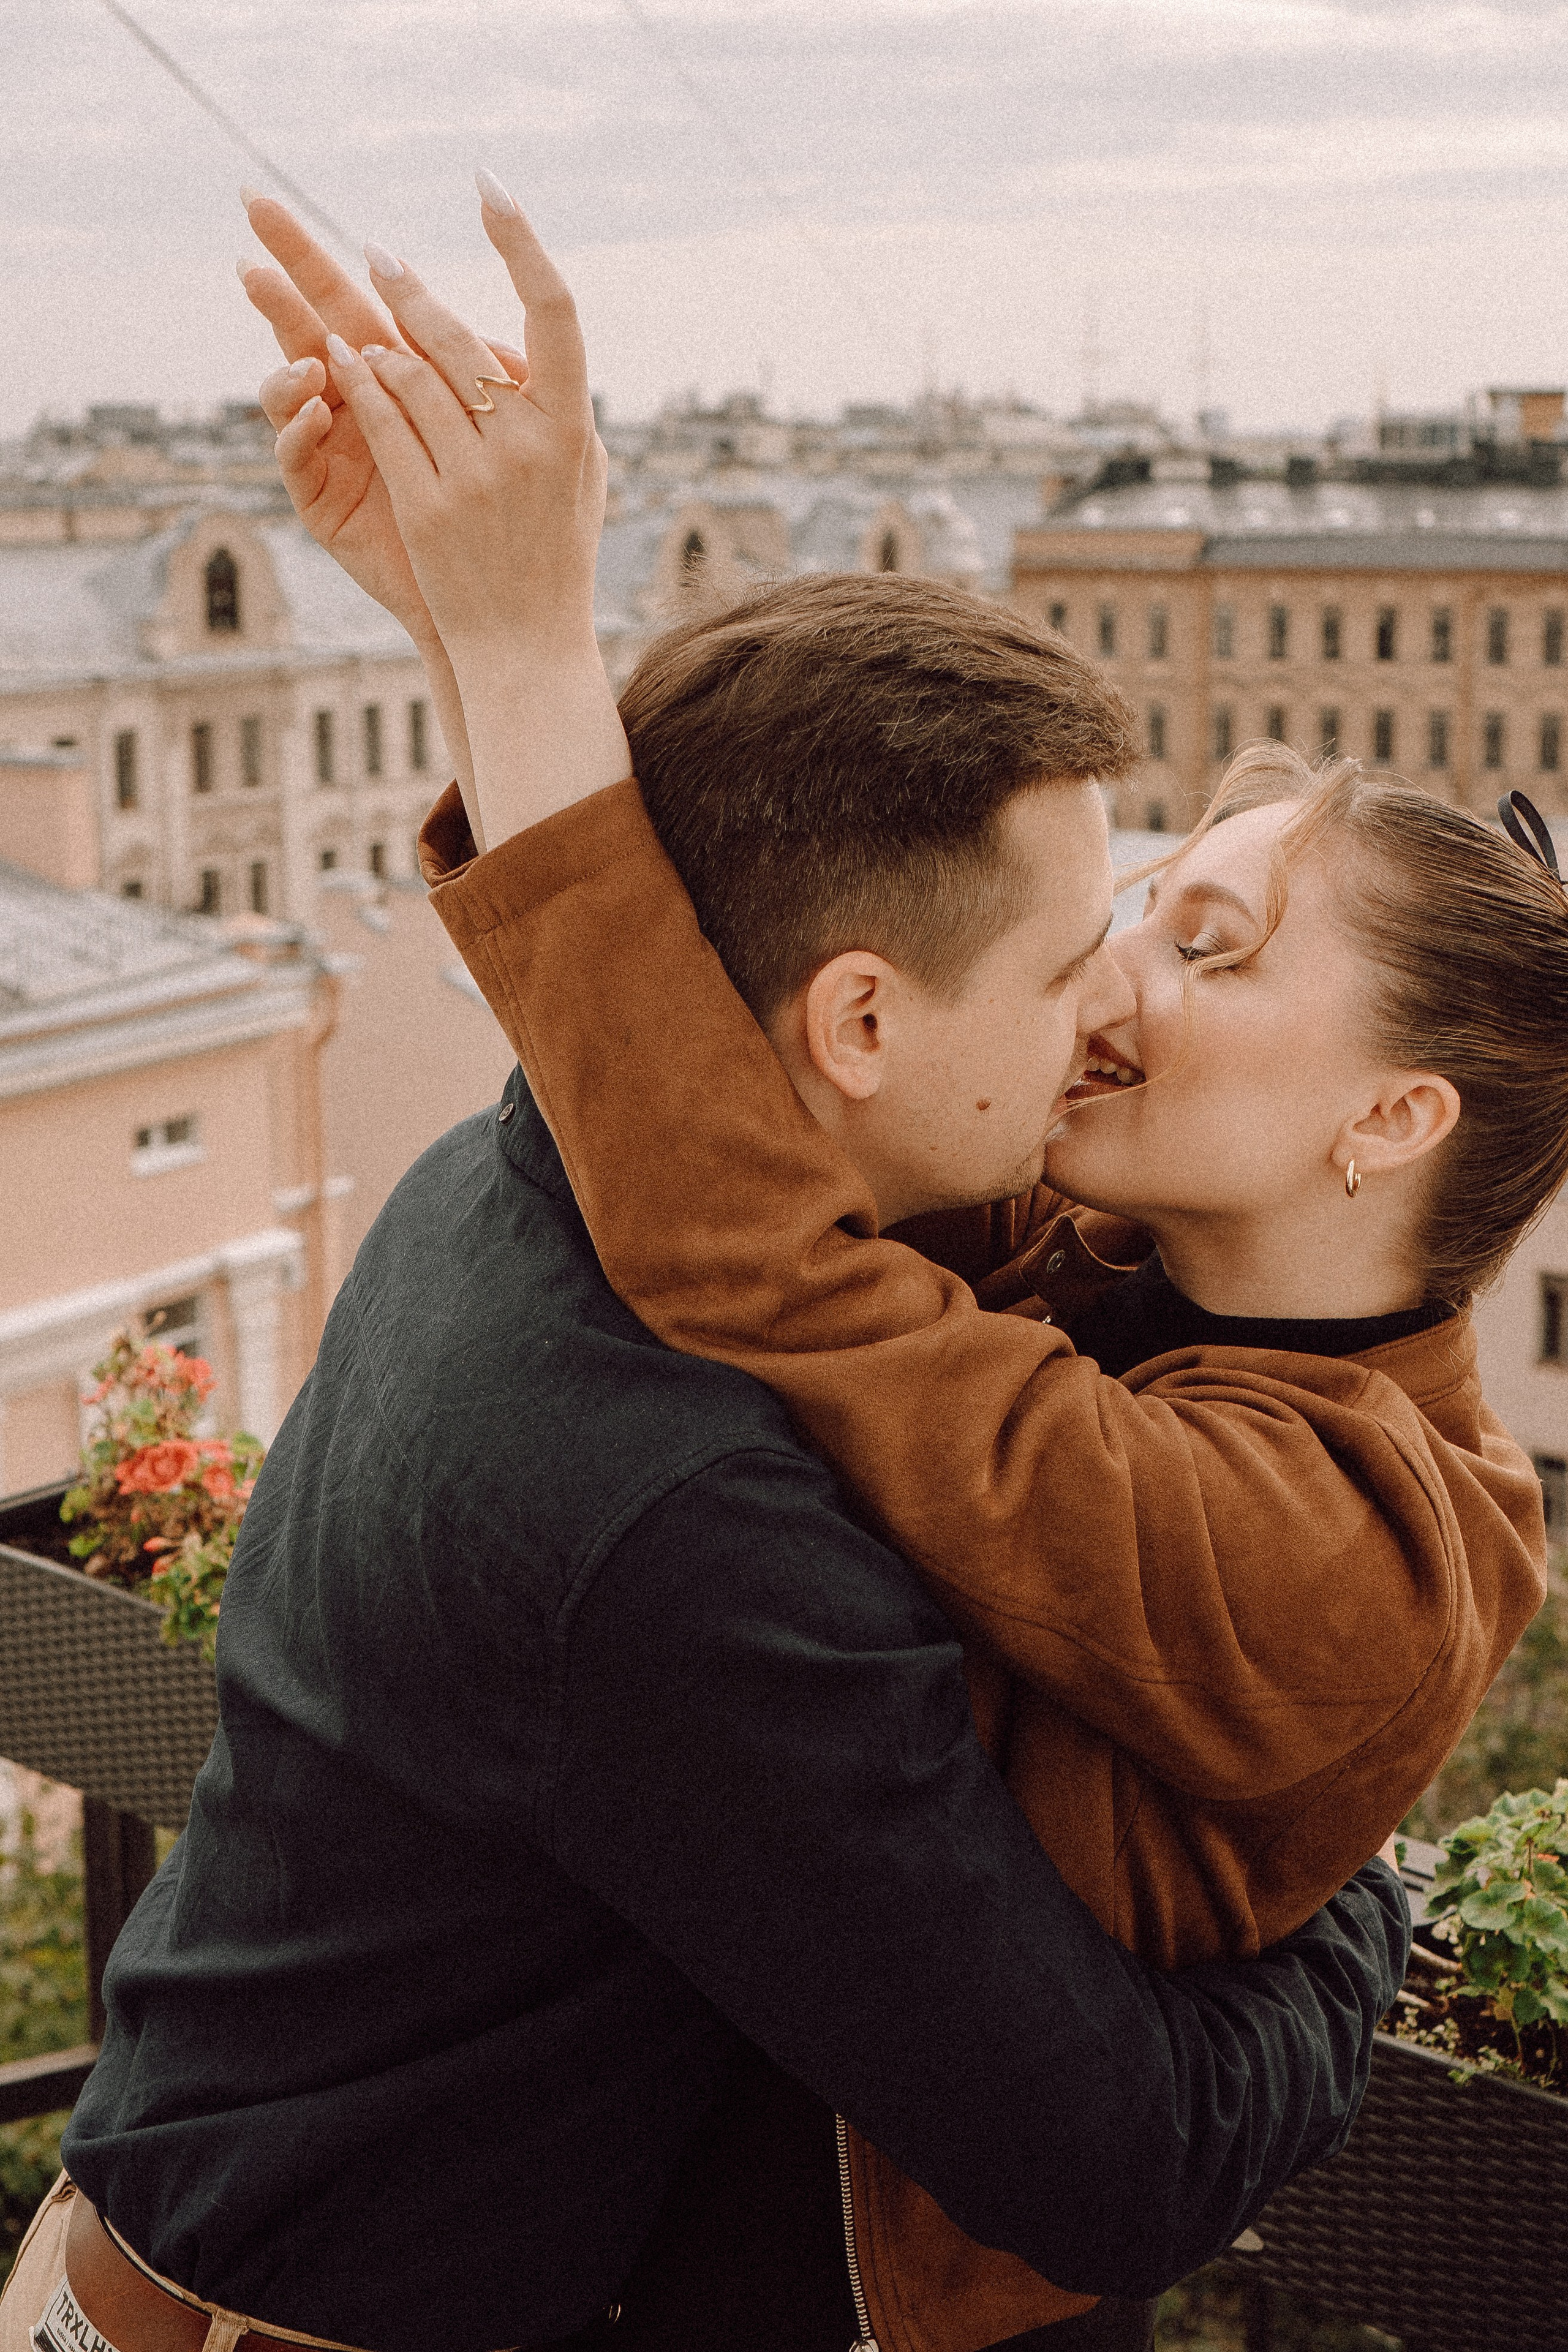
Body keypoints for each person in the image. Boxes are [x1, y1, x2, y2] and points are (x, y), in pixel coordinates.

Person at [0, 188, 1414, 2352]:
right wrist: (1353, 1911)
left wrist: (503, 638)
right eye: (1066, 965)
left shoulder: (538, 1168)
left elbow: (640, 1009)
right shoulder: (682, 1517)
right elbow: (1108, 2158)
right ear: (856, 1028)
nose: (1105, 1011)